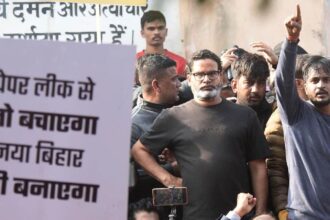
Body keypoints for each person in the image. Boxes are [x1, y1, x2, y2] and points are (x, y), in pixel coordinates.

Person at [132, 49, 270, 220]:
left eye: (212, 73)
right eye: (200, 75)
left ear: (221, 76)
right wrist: (169, 180)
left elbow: (258, 166)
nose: (206, 79)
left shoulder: (246, 115)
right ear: (189, 78)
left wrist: (261, 211)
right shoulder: (173, 116)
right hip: (193, 214)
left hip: (241, 212)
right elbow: (139, 150)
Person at [275, 5, 330, 219]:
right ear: (303, 87)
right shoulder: (296, 115)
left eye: (327, 80)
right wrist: (291, 41)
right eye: (314, 81)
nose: (321, 85)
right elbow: (282, 81)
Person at [130, 54, 181, 203]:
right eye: (174, 79)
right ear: (156, 86)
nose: (179, 84)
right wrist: (172, 169)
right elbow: (134, 181)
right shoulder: (133, 126)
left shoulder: (181, 107)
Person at [264, 54, 309, 220]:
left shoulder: (322, 112)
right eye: (313, 79)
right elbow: (275, 170)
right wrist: (283, 211)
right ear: (298, 84)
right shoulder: (279, 120)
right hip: (299, 210)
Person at [137, 10, 187, 79]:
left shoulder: (180, 62)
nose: (156, 32)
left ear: (166, 32)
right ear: (142, 33)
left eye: (160, 28)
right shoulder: (132, 62)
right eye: (151, 29)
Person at [230, 52, 272, 129]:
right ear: (235, 86)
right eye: (249, 83)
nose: (255, 90)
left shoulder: (272, 116)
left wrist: (277, 64)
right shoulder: (224, 116)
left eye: (261, 83)